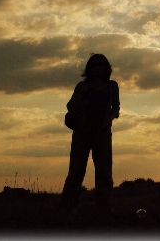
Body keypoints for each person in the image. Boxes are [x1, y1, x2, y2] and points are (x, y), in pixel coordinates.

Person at [60, 53, 120, 214]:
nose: (98, 68)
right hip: (82, 131)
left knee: (104, 173)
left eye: (101, 65)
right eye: (95, 65)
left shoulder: (112, 86)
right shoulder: (82, 86)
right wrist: (83, 96)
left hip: (103, 132)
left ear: (107, 68)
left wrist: (110, 119)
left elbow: (116, 107)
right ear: (89, 68)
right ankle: (66, 208)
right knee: (76, 172)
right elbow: (70, 106)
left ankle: (104, 209)